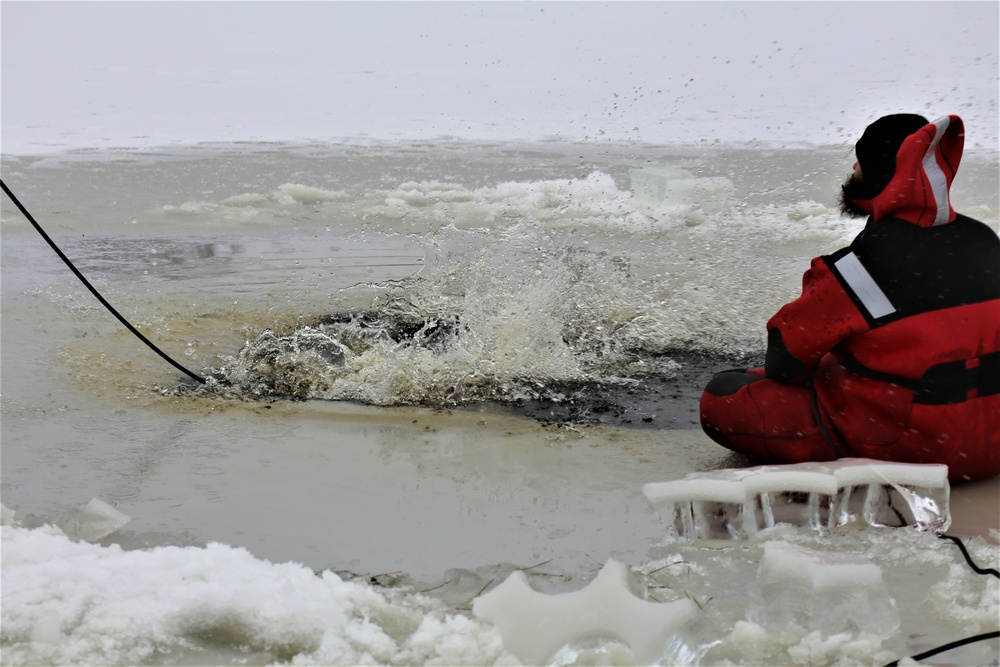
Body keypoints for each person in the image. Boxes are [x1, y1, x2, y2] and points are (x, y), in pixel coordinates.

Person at [699, 114, 1000, 482]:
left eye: (862, 159)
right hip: (992, 443)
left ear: (881, 171)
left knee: (725, 394)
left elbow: (785, 363)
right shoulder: (985, 240)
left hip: (918, 450)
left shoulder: (861, 265)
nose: (854, 167)